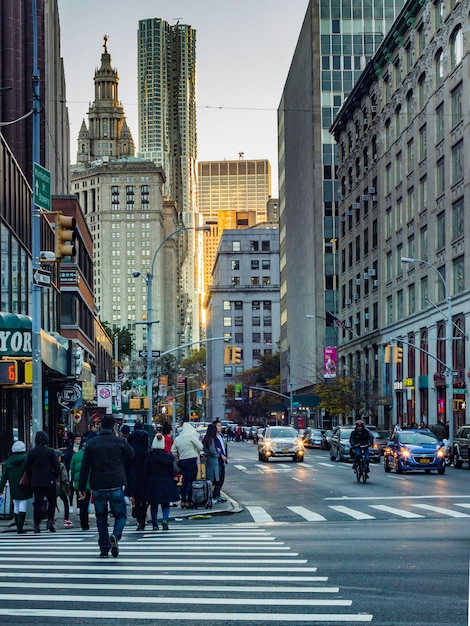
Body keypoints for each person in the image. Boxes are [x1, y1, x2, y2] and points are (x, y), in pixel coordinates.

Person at [78, 415, 134, 558]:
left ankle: (104, 547)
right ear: (114, 426)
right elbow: (131, 454)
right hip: (115, 482)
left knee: (101, 517)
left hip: (98, 484)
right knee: (120, 514)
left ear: (100, 426)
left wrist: (82, 487)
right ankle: (115, 535)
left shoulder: (91, 443)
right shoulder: (120, 442)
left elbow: (85, 467)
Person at [23, 431, 60, 533]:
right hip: (49, 481)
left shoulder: (31, 452)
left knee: (38, 503)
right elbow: (57, 467)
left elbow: (27, 468)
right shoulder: (51, 452)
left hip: (36, 482)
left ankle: (37, 525)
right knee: (52, 502)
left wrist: (32, 477)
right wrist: (54, 476)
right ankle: (50, 521)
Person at [144, 433, 180, 530]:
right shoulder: (168, 457)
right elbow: (171, 471)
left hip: (153, 481)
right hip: (165, 480)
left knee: (154, 504)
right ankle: (165, 519)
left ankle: (155, 524)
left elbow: (146, 470)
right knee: (166, 503)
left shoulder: (149, 456)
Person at [0, 441, 31, 534]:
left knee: (16, 506)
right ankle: (20, 528)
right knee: (23, 505)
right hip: (25, 485)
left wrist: (0, 489)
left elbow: (4, 477)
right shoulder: (26, 458)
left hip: (13, 486)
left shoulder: (9, 461)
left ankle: (18, 525)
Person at [171, 421, 203, 508]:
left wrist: (178, 455)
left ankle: (183, 500)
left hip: (182, 460)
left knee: (184, 481)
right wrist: (196, 451)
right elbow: (200, 446)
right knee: (191, 481)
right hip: (192, 459)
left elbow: (172, 450)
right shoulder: (191, 436)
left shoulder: (178, 438)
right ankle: (189, 501)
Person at [127, 421, 149, 531]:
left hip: (133, 476)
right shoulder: (146, 448)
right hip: (144, 476)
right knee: (144, 499)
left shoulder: (130, 447)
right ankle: (142, 519)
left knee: (135, 498)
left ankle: (138, 519)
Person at [69, 440, 91, 530]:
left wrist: (73, 480)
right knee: (88, 503)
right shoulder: (90, 455)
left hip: (78, 483)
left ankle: (84, 523)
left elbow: (72, 468)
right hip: (89, 482)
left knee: (82, 504)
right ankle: (87, 523)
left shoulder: (76, 455)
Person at [63, 434, 81, 513]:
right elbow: (66, 458)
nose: (78, 441)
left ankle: (78, 506)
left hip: (79, 471)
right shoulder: (70, 448)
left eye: (79, 439)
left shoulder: (82, 448)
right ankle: (70, 505)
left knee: (78, 488)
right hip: (71, 470)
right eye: (76, 439)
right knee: (71, 488)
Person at [55, 450, 73, 527]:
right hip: (61, 487)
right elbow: (64, 477)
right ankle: (66, 519)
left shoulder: (50, 465)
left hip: (52, 487)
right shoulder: (61, 465)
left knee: (52, 503)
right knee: (65, 503)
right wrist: (66, 486)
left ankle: (51, 519)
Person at [202, 423, 219, 500]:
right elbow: (212, 451)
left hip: (208, 460)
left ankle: (209, 496)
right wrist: (217, 453)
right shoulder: (211, 439)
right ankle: (210, 497)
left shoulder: (206, 439)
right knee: (213, 480)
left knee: (209, 479)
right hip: (213, 461)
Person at [213, 419, 228, 502]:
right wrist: (221, 455)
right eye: (218, 426)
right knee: (217, 479)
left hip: (223, 461)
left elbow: (223, 447)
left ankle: (218, 494)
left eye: (220, 426)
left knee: (222, 478)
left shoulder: (221, 436)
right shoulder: (214, 438)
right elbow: (215, 449)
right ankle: (215, 495)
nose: (220, 427)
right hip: (217, 461)